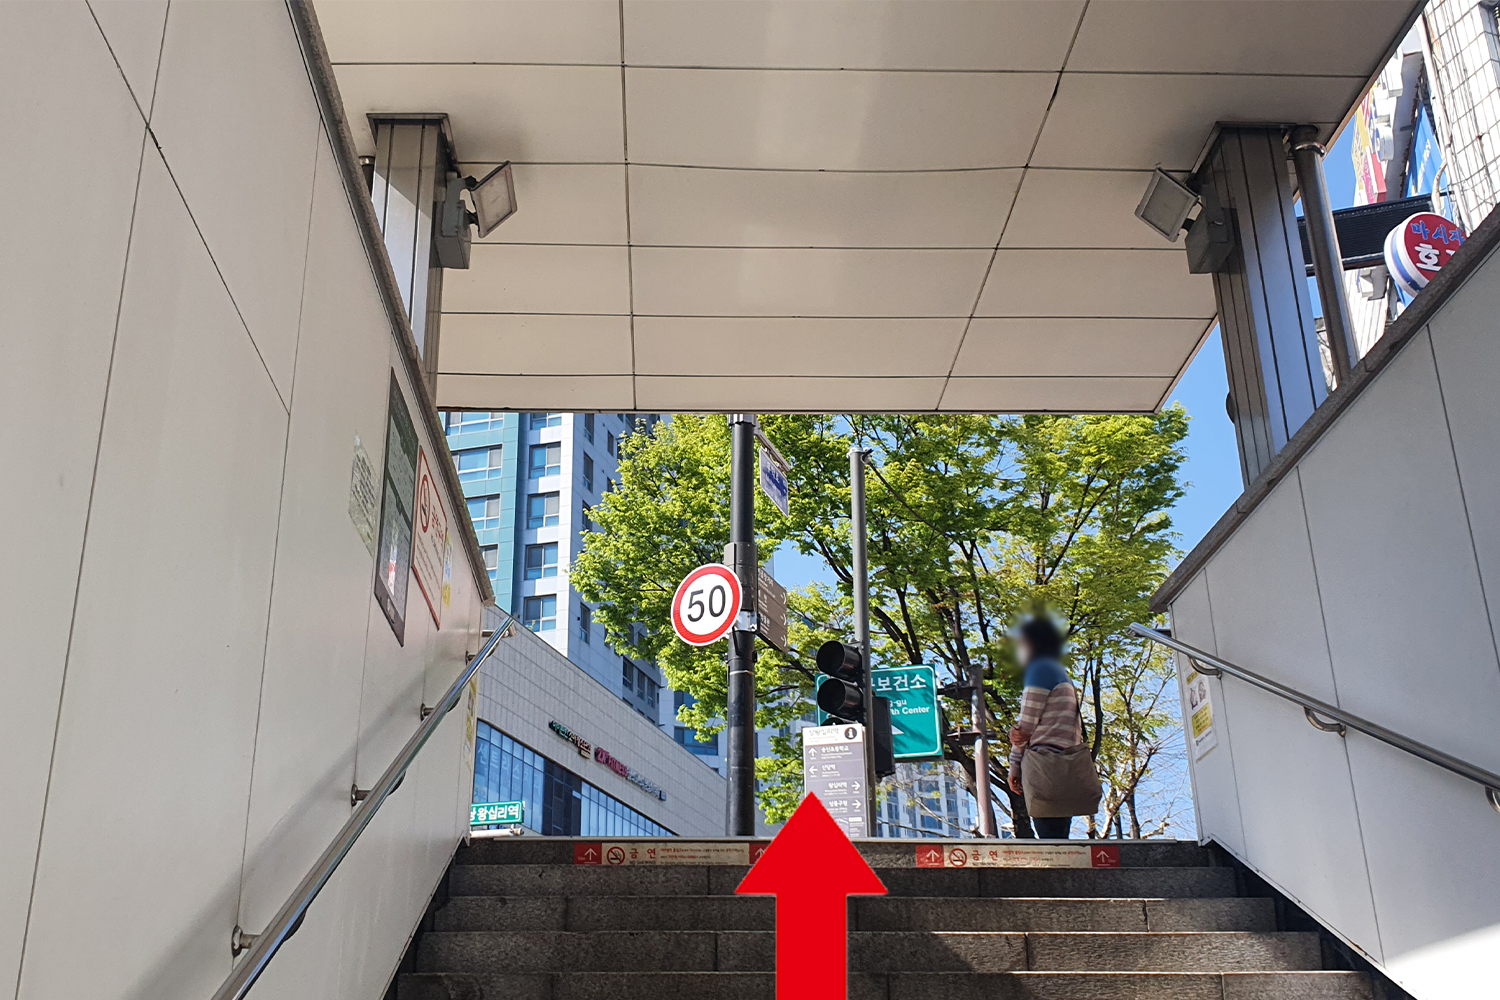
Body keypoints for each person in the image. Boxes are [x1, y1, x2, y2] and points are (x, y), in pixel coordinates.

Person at [1007, 617, 1100, 839]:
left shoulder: (1039, 672)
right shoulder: (1062, 676)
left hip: (1044, 767)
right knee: (1060, 836)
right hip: (1065, 768)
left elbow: (1024, 731)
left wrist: (1014, 766)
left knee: (1050, 841)